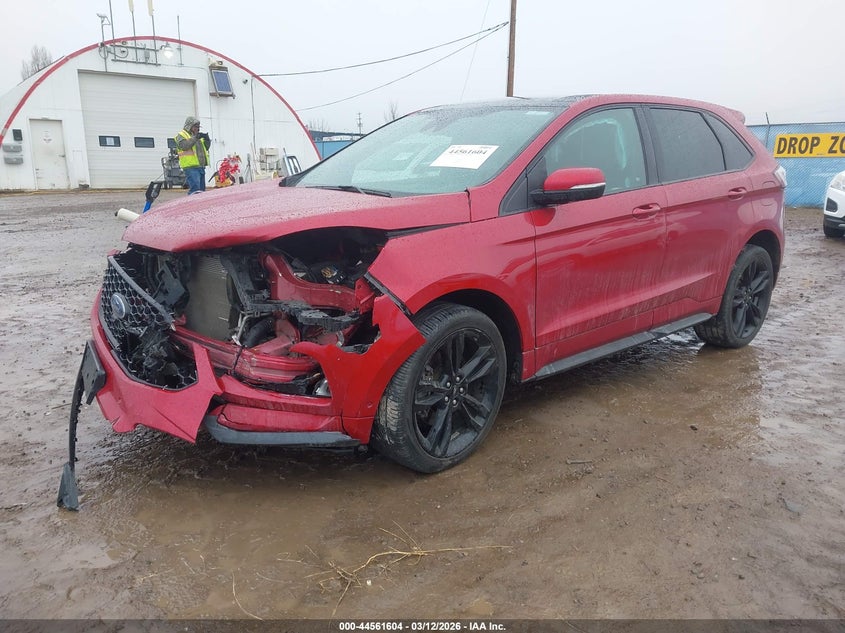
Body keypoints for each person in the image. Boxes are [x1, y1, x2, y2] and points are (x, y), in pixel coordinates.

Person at [174, 116, 210, 195]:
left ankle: (200, 206)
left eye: (198, 127)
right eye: (195, 127)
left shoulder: (197, 136)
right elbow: (184, 146)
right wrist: (195, 138)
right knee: (195, 190)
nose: (197, 129)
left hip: (200, 166)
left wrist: (207, 140)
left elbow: (206, 148)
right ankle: (192, 206)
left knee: (201, 191)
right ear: (189, 126)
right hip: (191, 167)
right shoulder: (182, 135)